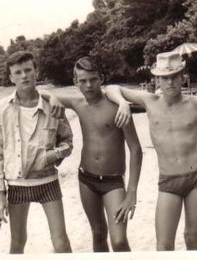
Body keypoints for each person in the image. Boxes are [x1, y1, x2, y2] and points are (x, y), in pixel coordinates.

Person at [105, 51, 197, 250]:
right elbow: (111, 88)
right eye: (165, 78)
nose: (170, 82)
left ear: (183, 78)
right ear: (157, 80)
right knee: (163, 245)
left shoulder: (196, 104)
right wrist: (122, 103)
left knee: (192, 236)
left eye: (174, 77)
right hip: (168, 181)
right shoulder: (149, 101)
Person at [42, 56, 143, 252]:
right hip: (86, 179)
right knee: (97, 233)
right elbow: (41, 94)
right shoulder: (78, 103)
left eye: (93, 79)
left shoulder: (117, 107)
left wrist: (131, 192)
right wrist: (53, 97)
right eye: (83, 80)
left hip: (113, 181)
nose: (88, 84)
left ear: (101, 78)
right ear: (75, 82)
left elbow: (136, 149)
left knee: (119, 240)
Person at [0, 51, 73, 254]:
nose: (24, 76)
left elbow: (68, 141)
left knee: (61, 243)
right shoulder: (0, 109)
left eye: (28, 70)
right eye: (18, 72)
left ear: (36, 72)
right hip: (17, 184)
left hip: (48, 181)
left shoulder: (53, 105)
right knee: (17, 243)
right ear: (11, 77)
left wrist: (54, 155)